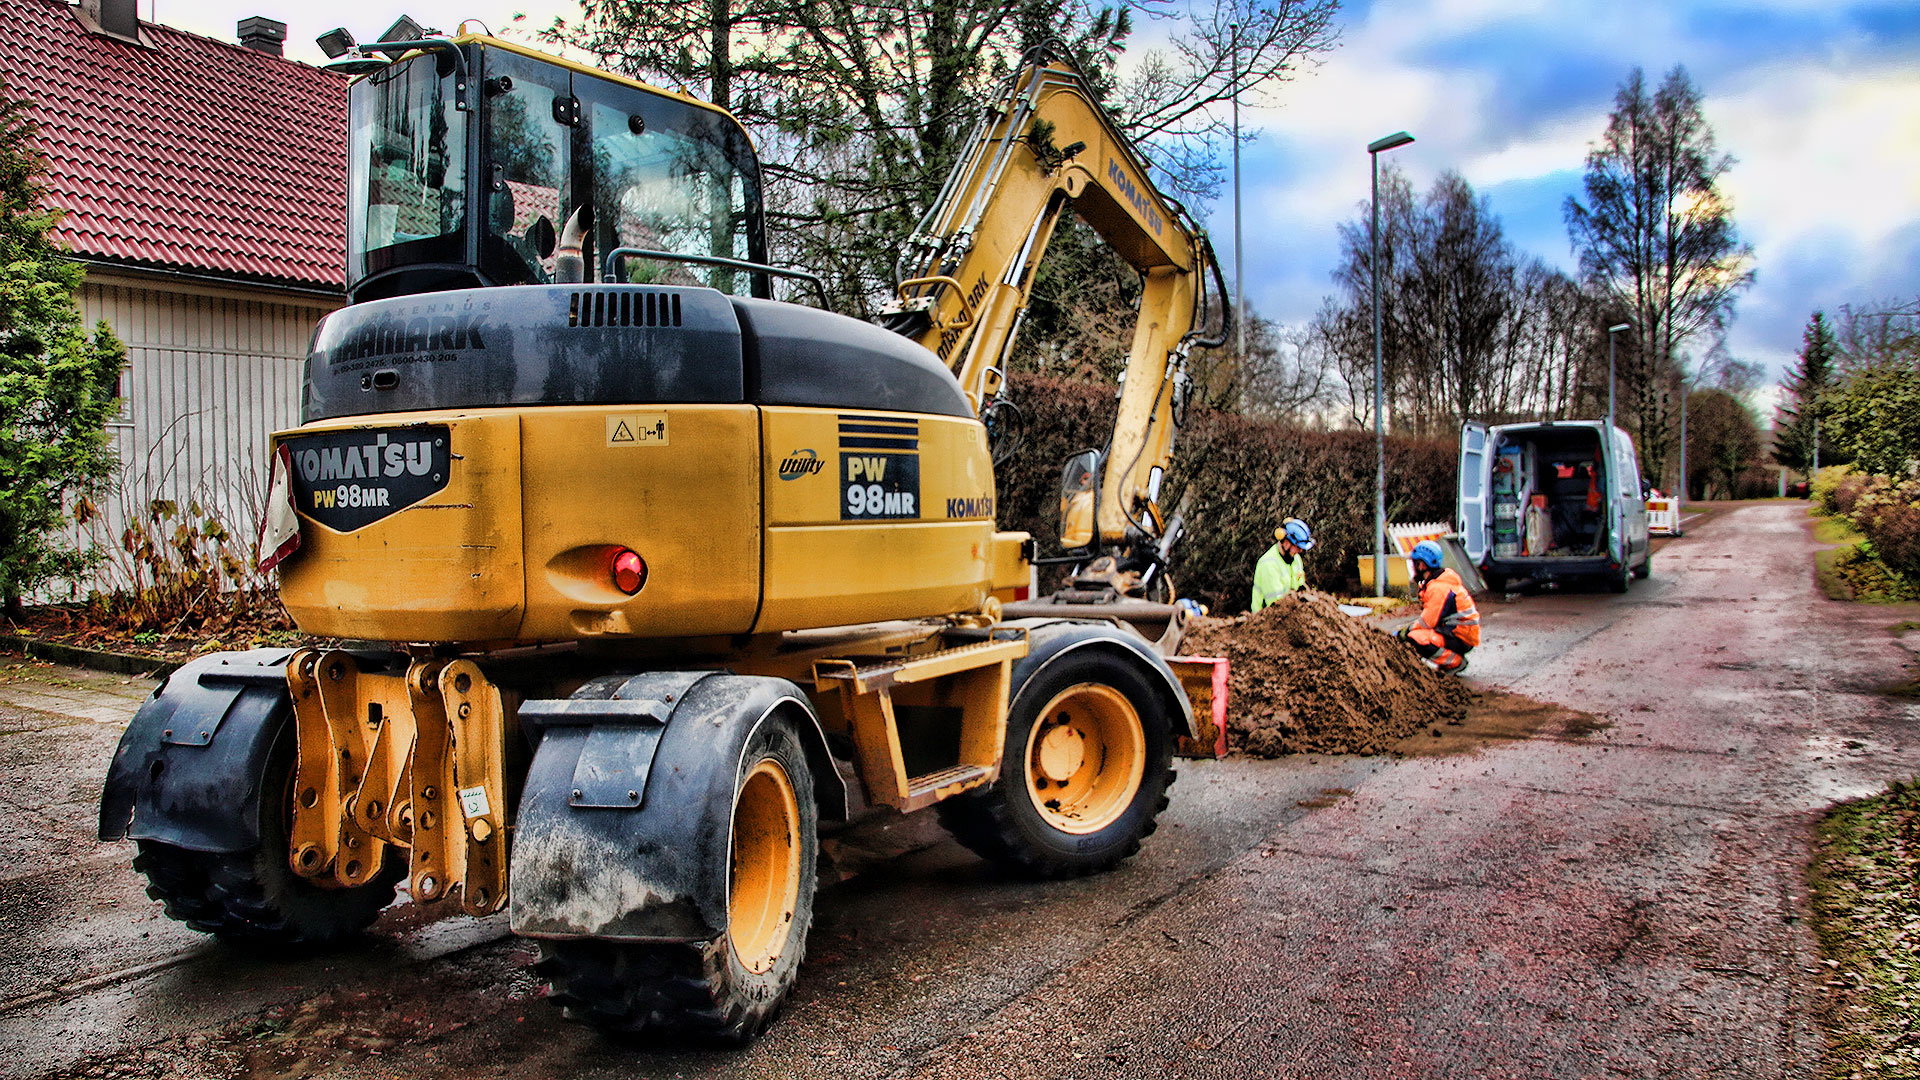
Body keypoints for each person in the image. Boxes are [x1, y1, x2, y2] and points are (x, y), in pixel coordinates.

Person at [1399, 540, 1480, 674]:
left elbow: (1427, 622)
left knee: (1415, 637)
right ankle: (1451, 658)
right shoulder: (1440, 582)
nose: (1413, 568)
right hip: (1460, 634)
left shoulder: (1438, 588)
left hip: (1460, 638)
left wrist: (1406, 631)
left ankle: (1455, 662)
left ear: (1422, 565)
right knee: (1416, 634)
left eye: (1414, 563)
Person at [1251, 518, 1314, 612]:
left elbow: (1300, 588)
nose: (1300, 551)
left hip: (1291, 611)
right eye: (1297, 547)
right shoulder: (1268, 564)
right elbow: (1277, 606)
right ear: (1286, 542)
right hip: (1268, 616)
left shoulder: (1295, 559)